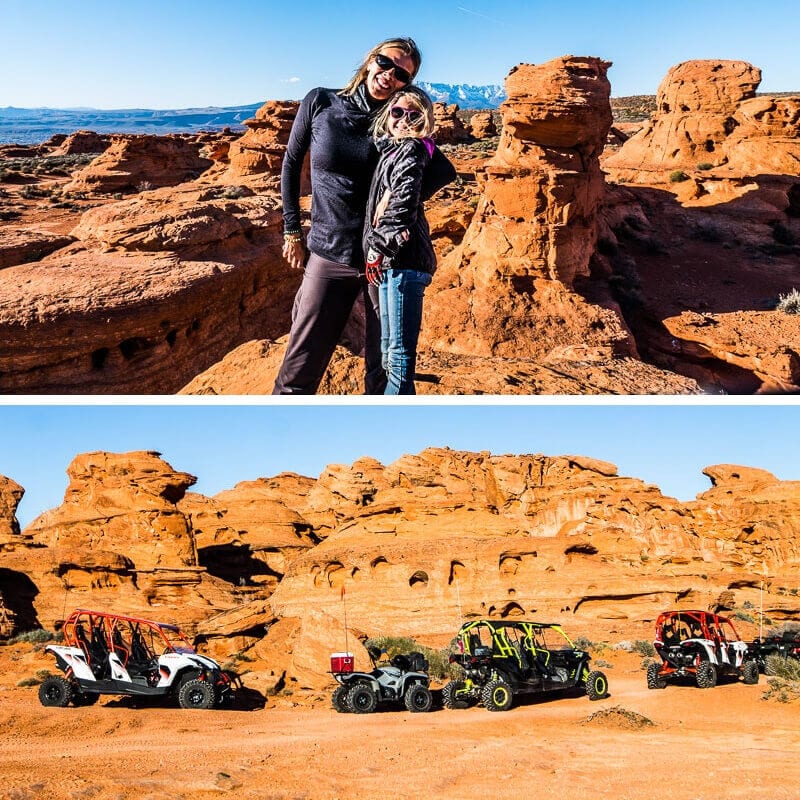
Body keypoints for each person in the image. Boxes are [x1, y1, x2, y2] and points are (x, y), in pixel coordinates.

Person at [273, 37, 453, 395]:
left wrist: (396, 206)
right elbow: (292, 165)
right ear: (371, 60)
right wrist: (292, 230)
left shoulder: (397, 117)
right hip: (329, 252)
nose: (390, 76)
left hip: (385, 262)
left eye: (402, 74)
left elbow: (438, 168)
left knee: (383, 371)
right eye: (386, 63)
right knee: (299, 370)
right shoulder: (322, 101)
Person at [363, 86, 447, 394]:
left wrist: (377, 249)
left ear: (425, 118)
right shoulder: (395, 148)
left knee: (397, 359)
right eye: (398, 112)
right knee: (388, 353)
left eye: (414, 114)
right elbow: (444, 173)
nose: (404, 120)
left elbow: (404, 202)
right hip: (393, 263)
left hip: (403, 262)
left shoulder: (411, 148)